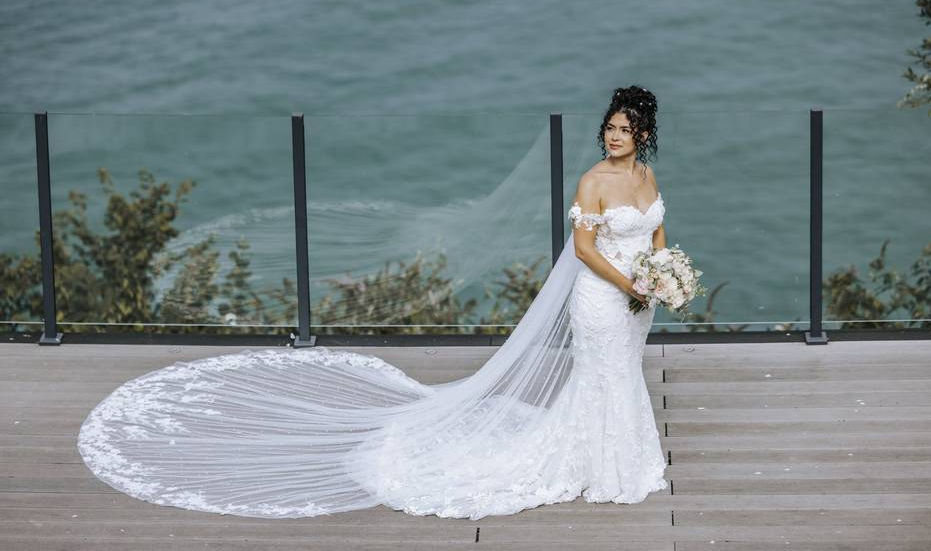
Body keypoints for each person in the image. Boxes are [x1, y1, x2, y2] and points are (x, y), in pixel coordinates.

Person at [77, 85, 670, 520]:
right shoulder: (594, 180)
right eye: (609, 127)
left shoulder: (645, 178)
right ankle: (594, 466)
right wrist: (629, 285)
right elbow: (586, 250)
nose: (611, 135)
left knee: (624, 371)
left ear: (641, 135)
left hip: (638, 297)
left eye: (622, 129)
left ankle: (621, 460)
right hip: (602, 294)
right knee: (599, 372)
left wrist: (663, 274)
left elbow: (655, 231)